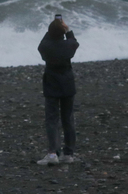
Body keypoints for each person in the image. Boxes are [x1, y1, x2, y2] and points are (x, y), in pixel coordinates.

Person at [36, 14, 80, 165]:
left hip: (52, 84)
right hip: (67, 84)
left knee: (52, 120)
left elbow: (42, 43)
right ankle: (68, 154)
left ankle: (53, 153)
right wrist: (67, 30)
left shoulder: (45, 47)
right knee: (68, 119)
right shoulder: (69, 46)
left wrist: (53, 29)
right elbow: (74, 42)